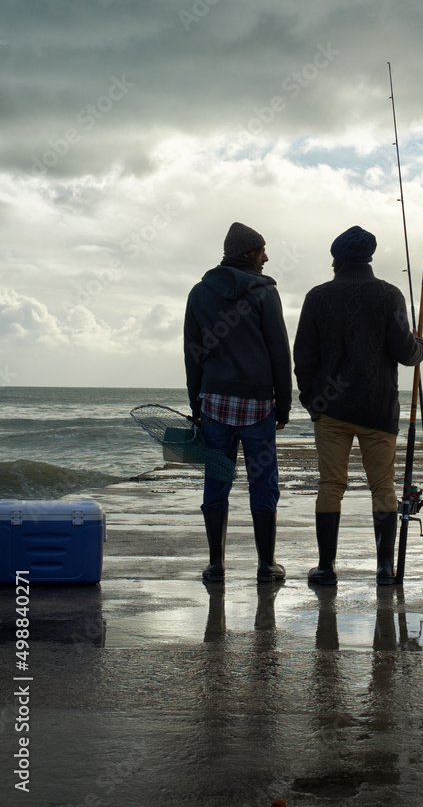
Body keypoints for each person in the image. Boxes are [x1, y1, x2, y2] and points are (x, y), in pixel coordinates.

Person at [294, 225, 423, 586]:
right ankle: (384, 570)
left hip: (331, 410)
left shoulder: (318, 296)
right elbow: (405, 353)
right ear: (369, 256)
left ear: (336, 258)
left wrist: (312, 401)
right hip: (378, 409)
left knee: (330, 485)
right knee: (382, 486)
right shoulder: (389, 295)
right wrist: (421, 347)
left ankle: (326, 568)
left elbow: (303, 357)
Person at [184, 222, 292, 584]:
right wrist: (285, 405)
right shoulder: (265, 293)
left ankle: (216, 565)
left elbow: (192, 353)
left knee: (217, 479)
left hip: (214, 402)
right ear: (248, 253)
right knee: (264, 482)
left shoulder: (199, 293)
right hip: (257, 403)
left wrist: (195, 405)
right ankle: (266, 565)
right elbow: (279, 352)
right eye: (262, 250)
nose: (266, 257)